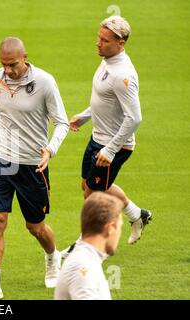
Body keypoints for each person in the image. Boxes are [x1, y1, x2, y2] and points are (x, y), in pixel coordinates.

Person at [0, 37, 69, 300]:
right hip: (2, 160)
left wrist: (50, 149)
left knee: (36, 226)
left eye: (13, 65)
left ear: (25, 57)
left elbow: (61, 122)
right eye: (4, 65)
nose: (7, 70)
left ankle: (53, 257)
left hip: (33, 164)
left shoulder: (44, 82)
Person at [64, 16, 152, 256]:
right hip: (98, 138)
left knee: (93, 195)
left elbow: (134, 118)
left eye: (104, 40)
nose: (98, 44)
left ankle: (85, 247)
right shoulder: (107, 61)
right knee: (88, 185)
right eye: (98, 38)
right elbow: (103, 101)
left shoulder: (123, 76)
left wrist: (110, 150)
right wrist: (84, 116)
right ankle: (138, 215)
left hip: (114, 146)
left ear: (121, 43)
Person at [55, 192, 124, 300]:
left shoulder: (87, 259)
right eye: (120, 228)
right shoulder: (82, 265)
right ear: (110, 229)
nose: (119, 235)